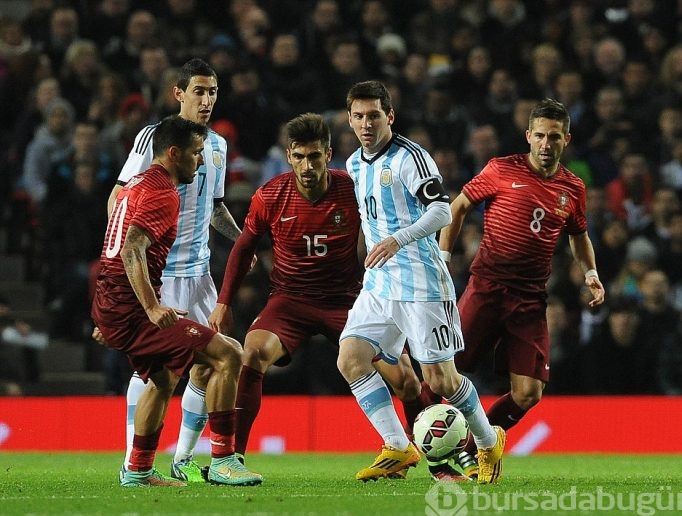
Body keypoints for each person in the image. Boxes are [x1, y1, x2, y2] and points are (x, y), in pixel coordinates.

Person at [208, 112, 423, 479]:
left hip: (348, 300)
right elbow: (244, 247)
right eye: (299, 157)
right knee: (252, 353)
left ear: (328, 154)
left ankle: (425, 454)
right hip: (290, 300)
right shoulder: (271, 195)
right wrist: (224, 302)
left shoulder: (353, 189)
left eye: (314, 157)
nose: (307, 166)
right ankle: (233, 459)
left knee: (405, 379)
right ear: (289, 156)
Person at [338, 80, 505, 483]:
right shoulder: (354, 163)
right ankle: (397, 445)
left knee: (440, 380)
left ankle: (488, 441)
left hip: (421, 283)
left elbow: (442, 212)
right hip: (380, 284)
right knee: (351, 359)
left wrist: (398, 239)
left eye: (374, 115)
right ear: (349, 119)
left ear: (390, 116)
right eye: (358, 116)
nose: (366, 124)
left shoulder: (411, 157)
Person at [438, 98, 605, 478]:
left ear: (566, 140)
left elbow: (579, 236)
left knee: (529, 393)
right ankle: (419, 450)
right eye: (540, 136)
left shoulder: (573, 188)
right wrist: (443, 258)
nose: (546, 144)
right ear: (528, 136)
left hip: (529, 299)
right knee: (442, 373)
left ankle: (478, 449)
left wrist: (591, 274)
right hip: (486, 287)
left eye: (555, 137)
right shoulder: (500, 169)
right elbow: (458, 206)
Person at [92, 115, 261, 487]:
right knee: (228, 354)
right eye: (196, 153)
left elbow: (112, 248)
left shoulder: (135, 186)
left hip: (115, 303)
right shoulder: (162, 193)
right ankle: (223, 461)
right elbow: (131, 249)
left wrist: (107, 313)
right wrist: (151, 307)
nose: (200, 161)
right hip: (130, 309)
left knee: (163, 378)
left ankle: (137, 470)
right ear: (173, 153)